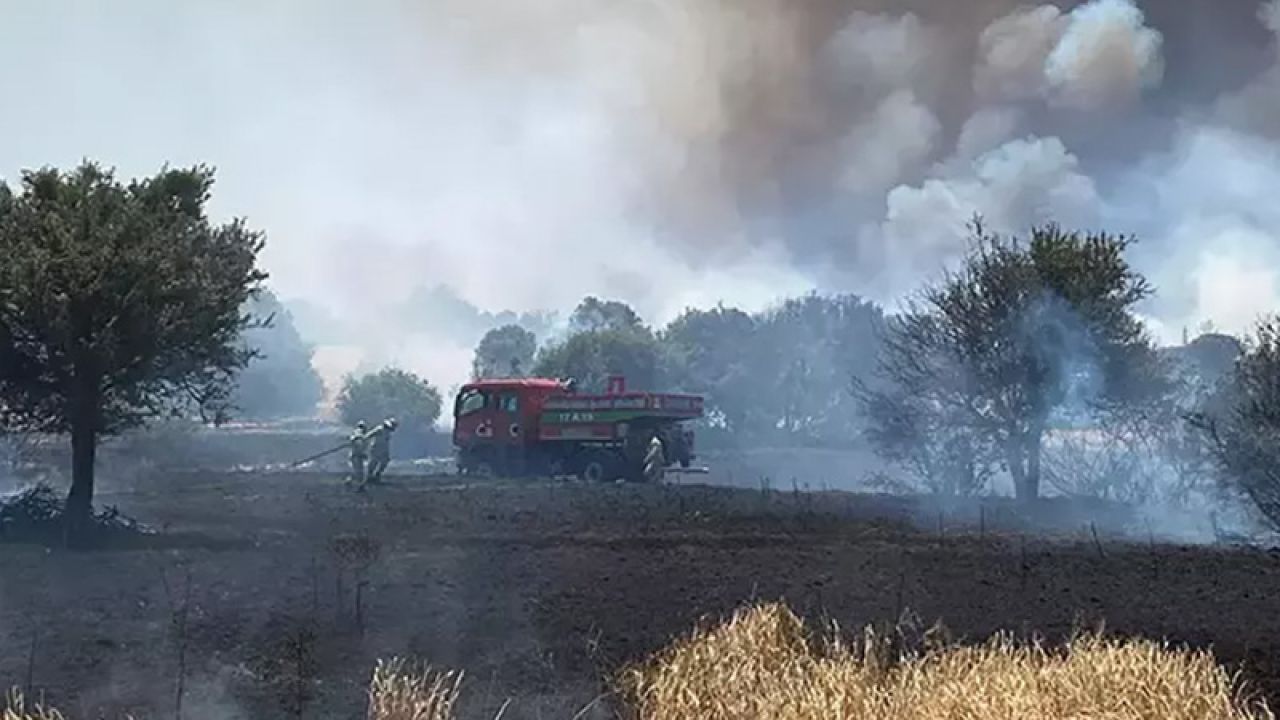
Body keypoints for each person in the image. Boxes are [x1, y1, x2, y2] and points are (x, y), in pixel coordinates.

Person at [366, 418, 398, 484]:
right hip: (376, 448)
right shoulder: (380, 429)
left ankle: (377, 475)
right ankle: (369, 476)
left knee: (385, 462)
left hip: (383, 449)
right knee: (374, 462)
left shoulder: (388, 432)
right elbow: (369, 435)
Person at [348, 420, 369, 490]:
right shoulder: (357, 433)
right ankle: (360, 485)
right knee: (359, 471)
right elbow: (355, 439)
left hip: (358, 455)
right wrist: (357, 438)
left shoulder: (363, 436)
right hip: (355, 455)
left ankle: (349, 481)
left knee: (358, 471)